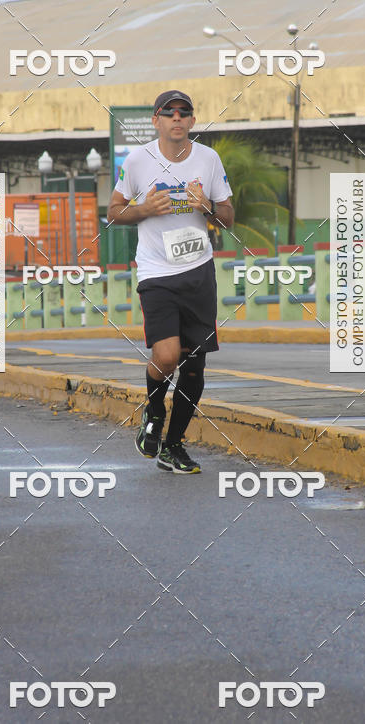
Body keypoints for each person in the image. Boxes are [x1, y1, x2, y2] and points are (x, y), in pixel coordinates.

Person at [107, 89, 234, 473]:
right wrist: (145, 208)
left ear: (193, 121)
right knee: (166, 356)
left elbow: (228, 216)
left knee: (194, 365)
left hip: (198, 271)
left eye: (184, 113)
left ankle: (174, 446)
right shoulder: (138, 160)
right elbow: (113, 212)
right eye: (169, 113)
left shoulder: (208, 159)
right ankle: (153, 411)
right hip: (156, 273)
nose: (177, 118)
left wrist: (206, 206)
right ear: (156, 121)